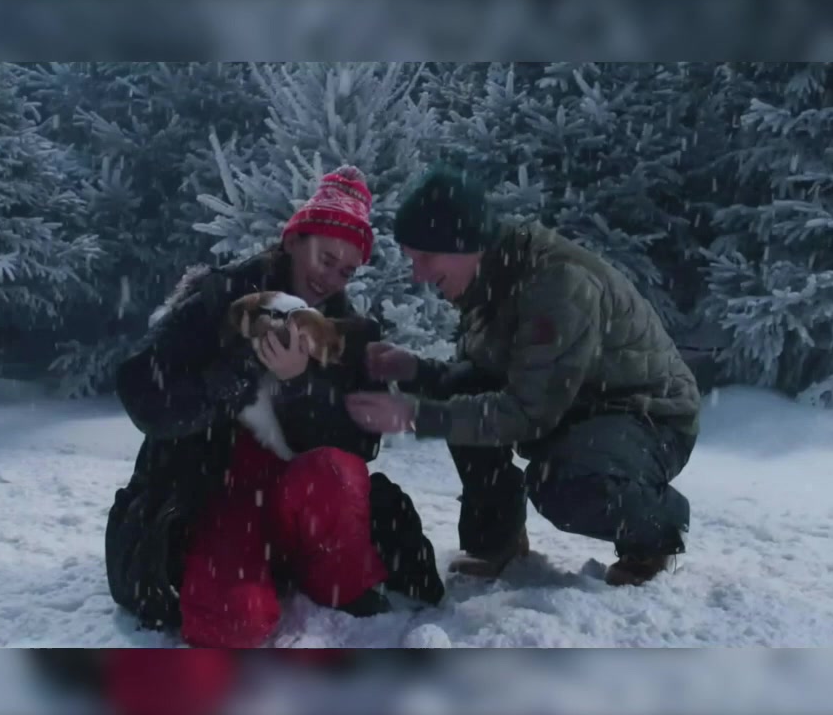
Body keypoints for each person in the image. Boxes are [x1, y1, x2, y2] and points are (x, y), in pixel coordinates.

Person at [106, 165, 444, 650]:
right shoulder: (218, 297)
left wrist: (298, 385)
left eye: (346, 271)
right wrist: (237, 372)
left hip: (299, 503)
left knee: (335, 473)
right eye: (326, 258)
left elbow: (361, 444)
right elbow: (143, 392)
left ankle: (340, 582)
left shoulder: (348, 333)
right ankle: (245, 580)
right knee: (233, 621)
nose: (331, 278)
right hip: (213, 501)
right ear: (293, 240)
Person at [346, 166, 702, 587]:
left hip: (646, 416)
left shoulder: (556, 283)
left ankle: (657, 530)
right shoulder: (490, 279)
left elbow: (527, 412)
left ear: (463, 243)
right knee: (458, 393)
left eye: (425, 257)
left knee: (564, 486)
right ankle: (497, 542)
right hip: (579, 409)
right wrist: (414, 370)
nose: (417, 274)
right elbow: (483, 378)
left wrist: (414, 416)